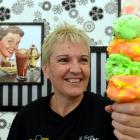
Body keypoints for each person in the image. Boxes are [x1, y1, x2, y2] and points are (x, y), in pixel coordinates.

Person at [7, 23, 140, 140]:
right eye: (64, 60)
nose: (76, 70)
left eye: (83, 60)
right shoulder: (27, 117)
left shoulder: (112, 115)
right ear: (46, 70)